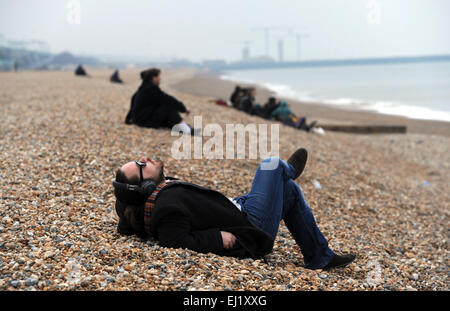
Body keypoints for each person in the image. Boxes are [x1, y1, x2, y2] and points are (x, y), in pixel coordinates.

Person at [112, 148, 356, 270]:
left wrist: (125, 193)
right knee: (271, 165)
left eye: (137, 160)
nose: (143, 159)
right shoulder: (165, 208)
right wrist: (217, 239)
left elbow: (124, 212)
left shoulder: (142, 200)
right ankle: (288, 169)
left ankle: (320, 257)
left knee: (289, 191)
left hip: (237, 207)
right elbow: (173, 240)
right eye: (140, 165)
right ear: (144, 185)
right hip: (249, 225)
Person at [125, 68, 195, 135]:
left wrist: (130, 118)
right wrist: (184, 109)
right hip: (143, 121)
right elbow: (168, 99)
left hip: (139, 119)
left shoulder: (143, 87)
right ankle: (186, 130)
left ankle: (183, 127)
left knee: (164, 111)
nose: (160, 78)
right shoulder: (151, 88)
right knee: (168, 106)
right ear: (154, 78)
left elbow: (133, 100)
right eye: (158, 76)